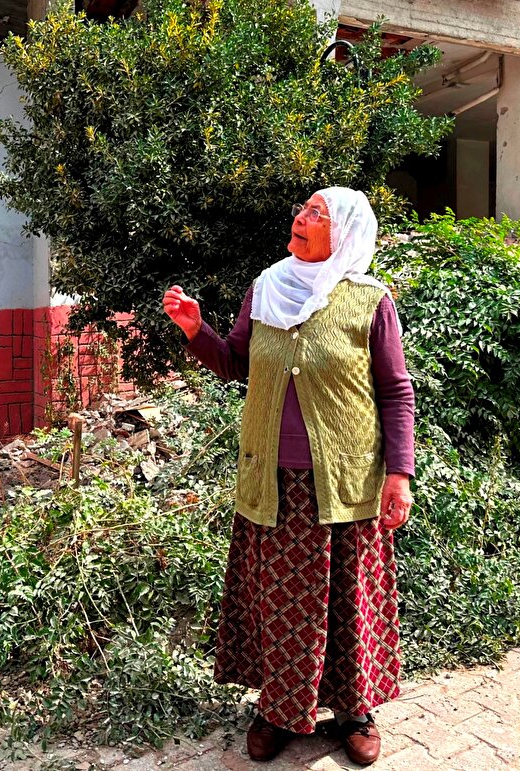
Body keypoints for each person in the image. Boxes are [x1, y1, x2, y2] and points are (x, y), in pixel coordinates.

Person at [162, 187, 416, 766]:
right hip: (273, 481)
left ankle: (355, 713)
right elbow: (232, 363)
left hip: (347, 483)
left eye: (316, 214)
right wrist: (195, 330)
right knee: (280, 603)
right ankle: (276, 711)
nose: (301, 218)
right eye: (302, 208)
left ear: (345, 234)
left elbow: (396, 391)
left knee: (349, 602)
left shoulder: (368, 301)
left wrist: (398, 474)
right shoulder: (267, 288)